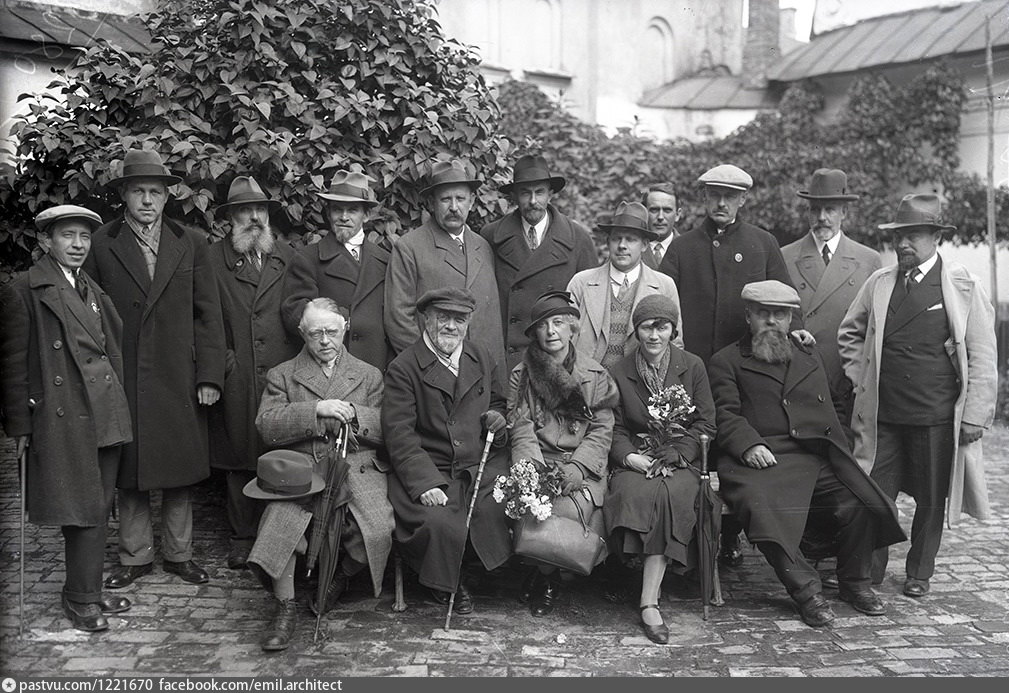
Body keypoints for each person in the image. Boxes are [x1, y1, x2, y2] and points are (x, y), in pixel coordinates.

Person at [707, 280, 905, 628]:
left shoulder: (807, 354)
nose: (772, 321)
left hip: (812, 453)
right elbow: (724, 413)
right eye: (763, 313)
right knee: (762, 512)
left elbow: (834, 403)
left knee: (860, 500)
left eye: (780, 314)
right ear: (749, 316)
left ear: (791, 319)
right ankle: (807, 592)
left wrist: (840, 445)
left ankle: (855, 582)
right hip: (757, 459)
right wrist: (749, 444)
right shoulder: (727, 360)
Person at [838, 193, 997, 598]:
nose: (904, 244)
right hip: (884, 414)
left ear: (936, 237)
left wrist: (975, 414)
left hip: (935, 414)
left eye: (914, 235)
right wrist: (861, 379)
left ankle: (919, 572)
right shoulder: (880, 283)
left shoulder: (961, 285)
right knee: (875, 493)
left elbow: (982, 353)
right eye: (899, 236)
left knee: (930, 498)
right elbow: (850, 332)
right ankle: (868, 571)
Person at [85, 148, 225, 589]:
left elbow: (209, 314)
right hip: (124, 374)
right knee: (131, 472)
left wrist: (209, 376)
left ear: (167, 197)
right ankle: (135, 556)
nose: (147, 200)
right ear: (124, 195)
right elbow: (88, 315)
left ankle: (180, 555)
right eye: (138, 191)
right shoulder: (102, 243)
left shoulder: (191, 241)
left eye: (155, 192)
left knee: (180, 469)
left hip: (178, 374)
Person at [657, 163, 808, 568]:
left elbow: (786, 298)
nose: (721, 203)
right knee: (694, 448)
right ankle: (691, 540)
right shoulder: (682, 248)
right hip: (693, 369)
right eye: (715, 195)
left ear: (743, 200)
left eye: (730, 196)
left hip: (747, 368)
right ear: (704, 198)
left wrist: (798, 331)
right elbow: (662, 303)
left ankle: (731, 536)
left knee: (737, 445)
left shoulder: (762, 243)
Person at [0, 205, 133, 632]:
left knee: (99, 505)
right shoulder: (25, 289)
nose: (78, 245)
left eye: (84, 237)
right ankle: (80, 599)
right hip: (64, 416)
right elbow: (12, 364)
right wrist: (20, 425)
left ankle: (86, 589)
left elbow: (110, 347)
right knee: (82, 508)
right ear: (45, 240)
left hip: (104, 411)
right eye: (68, 236)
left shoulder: (88, 286)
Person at [250, 298, 394, 651]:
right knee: (280, 519)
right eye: (316, 333)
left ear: (345, 328)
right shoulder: (283, 374)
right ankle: (284, 607)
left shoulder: (369, 375)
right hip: (303, 468)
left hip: (356, 466)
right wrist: (315, 410)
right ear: (302, 334)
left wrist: (353, 413)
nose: (325, 340)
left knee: (378, 527)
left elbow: (386, 428)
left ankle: (339, 577)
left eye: (332, 331)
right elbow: (266, 425)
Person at [382, 286, 510, 613]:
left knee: (495, 509)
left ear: (468, 322)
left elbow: (498, 402)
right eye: (443, 318)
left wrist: (496, 419)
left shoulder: (481, 357)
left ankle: (475, 569)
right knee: (439, 522)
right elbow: (399, 434)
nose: (451, 326)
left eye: (460, 319)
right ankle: (445, 581)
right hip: (431, 468)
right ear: (426, 319)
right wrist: (425, 483)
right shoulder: (404, 367)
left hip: (477, 465)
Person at [604, 294, 716, 644]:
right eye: (646, 328)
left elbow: (706, 423)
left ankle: (648, 600)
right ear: (636, 331)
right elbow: (613, 427)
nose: (654, 335)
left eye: (662, 327)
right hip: (637, 460)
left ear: (673, 331)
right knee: (639, 492)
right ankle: (633, 577)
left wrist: (680, 453)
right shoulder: (619, 371)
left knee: (669, 495)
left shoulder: (692, 366)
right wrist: (629, 458)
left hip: (680, 460)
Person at [507, 291, 619, 617]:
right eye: (543, 326)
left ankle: (547, 576)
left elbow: (602, 429)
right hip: (539, 460)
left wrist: (579, 467)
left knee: (570, 509)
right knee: (534, 507)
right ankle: (546, 577)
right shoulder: (522, 374)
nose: (551, 331)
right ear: (534, 334)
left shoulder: (595, 375)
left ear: (572, 328)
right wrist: (536, 473)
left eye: (558, 323)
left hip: (580, 464)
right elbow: (521, 427)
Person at [207, 176, 299, 570]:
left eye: (260, 209)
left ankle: (277, 535)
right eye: (245, 211)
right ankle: (242, 537)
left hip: (282, 372)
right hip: (239, 371)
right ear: (231, 218)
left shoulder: (287, 256)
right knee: (239, 455)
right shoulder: (213, 259)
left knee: (280, 451)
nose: (255, 217)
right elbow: (205, 319)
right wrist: (224, 364)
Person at [781, 169, 881, 423]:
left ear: (844, 212)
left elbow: (874, 328)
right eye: (815, 210)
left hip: (848, 378)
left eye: (830, 210)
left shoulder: (868, 260)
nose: (822, 218)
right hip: (801, 376)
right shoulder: (785, 257)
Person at [479, 155, 597, 369]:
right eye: (525, 193)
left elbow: (589, 311)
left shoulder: (578, 239)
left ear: (550, 194)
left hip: (558, 359)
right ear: (514, 196)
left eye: (539, 192)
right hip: (509, 359)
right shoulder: (491, 236)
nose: (533, 201)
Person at [384, 159, 505, 365]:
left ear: (471, 201)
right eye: (445, 199)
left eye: (460, 198)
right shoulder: (409, 247)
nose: (454, 207)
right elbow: (398, 319)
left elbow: (492, 321)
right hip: (433, 371)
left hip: (484, 370)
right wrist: (430, 366)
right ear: (432, 203)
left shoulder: (483, 247)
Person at [281, 170, 391, 370]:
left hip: (376, 367)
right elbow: (294, 313)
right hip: (328, 366)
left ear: (366, 215)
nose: (344, 217)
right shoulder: (308, 258)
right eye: (337, 210)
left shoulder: (385, 260)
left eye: (353, 210)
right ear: (328, 213)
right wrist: (338, 318)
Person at [566, 201, 682, 370]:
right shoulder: (581, 283)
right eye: (616, 239)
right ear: (608, 242)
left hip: (641, 381)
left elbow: (675, 343)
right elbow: (564, 338)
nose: (622, 246)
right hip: (587, 379)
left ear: (644, 245)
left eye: (630, 239)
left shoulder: (664, 285)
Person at [640, 182, 682, 269]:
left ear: (677, 215)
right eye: (654, 210)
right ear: (644, 213)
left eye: (667, 210)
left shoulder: (688, 249)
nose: (660, 217)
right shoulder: (631, 249)